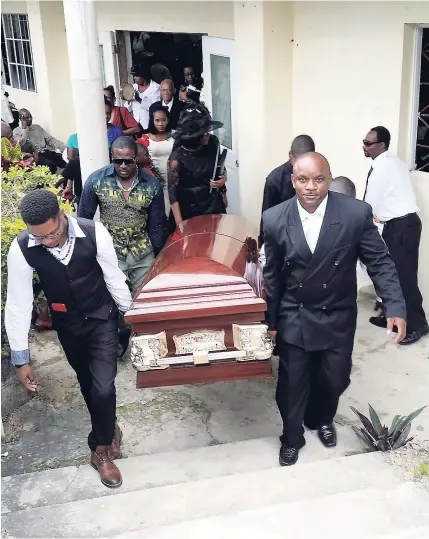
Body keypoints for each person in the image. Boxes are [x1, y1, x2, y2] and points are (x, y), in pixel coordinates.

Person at [263, 152, 406, 466]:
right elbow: (272, 276)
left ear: (328, 178)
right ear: (293, 181)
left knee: (335, 379)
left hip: (337, 312)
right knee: (292, 382)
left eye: (319, 179)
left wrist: (394, 305)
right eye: (303, 179)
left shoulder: (355, 214)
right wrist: (271, 321)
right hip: (294, 312)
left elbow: (379, 262)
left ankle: (321, 418)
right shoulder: (275, 218)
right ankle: (291, 437)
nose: (311, 187)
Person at [5, 189, 132, 488]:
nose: (48, 241)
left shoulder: (93, 231)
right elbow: (19, 302)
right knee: (89, 385)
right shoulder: (22, 247)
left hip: (102, 318)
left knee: (103, 387)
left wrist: (135, 318)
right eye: (40, 238)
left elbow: (114, 277)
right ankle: (108, 427)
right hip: (68, 326)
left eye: (52, 234)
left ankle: (99, 450)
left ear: (62, 215)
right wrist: (20, 358)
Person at [363, 126, 428, 345]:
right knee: (392, 275)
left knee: (403, 279)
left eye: (368, 143)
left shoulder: (382, 169)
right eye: (364, 141)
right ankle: (391, 317)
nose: (364, 146)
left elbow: (368, 208)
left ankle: (418, 325)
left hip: (400, 227)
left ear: (381, 145)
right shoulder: (394, 162)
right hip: (404, 225)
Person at [78, 136, 166, 297]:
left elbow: (157, 225)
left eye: (129, 161)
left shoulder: (152, 184)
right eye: (118, 161)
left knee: (144, 298)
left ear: (136, 158)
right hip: (111, 252)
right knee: (115, 299)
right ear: (112, 157)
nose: (123, 166)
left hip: (142, 252)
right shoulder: (96, 181)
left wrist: (159, 255)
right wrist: (88, 253)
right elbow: (84, 219)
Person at [167, 103, 226, 232]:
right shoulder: (176, 159)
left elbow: (220, 167)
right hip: (188, 208)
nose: (208, 135)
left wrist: (223, 182)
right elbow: (172, 193)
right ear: (193, 137)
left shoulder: (213, 143)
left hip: (212, 203)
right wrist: (179, 223)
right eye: (204, 133)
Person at [259, 135, 315, 246]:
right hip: (283, 240)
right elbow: (266, 220)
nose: (302, 167)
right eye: (298, 162)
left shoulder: (320, 177)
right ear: (290, 155)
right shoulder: (274, 180)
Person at [137, 104, 174, 216]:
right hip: (153, 181)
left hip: (173, 180)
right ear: (152, 120)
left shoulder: (174, 136)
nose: (160, 124)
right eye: (157, 120)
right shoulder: (144, 138)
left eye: (164, 120)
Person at [13, 109, 66, 173]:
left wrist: (66, 147)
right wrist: (24, 128)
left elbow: (50, 140)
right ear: (21, 119)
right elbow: (22, 145)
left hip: (45, 151)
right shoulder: (16, 131)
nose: (30, 119)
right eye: (27, 118)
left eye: (30, 116)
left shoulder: (37, 127)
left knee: (65, 161)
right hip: (33, 156)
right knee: (50, 166)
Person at [124, 65, 160, 131]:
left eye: (136, 76)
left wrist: (139, 100)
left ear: (143, 75)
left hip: (149, 125)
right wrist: (128, 100)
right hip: (134, 125)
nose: (134, 78)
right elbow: (127, 109)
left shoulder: (156, 88)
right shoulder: (132, 87)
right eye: (133, 76)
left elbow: (155, 107)